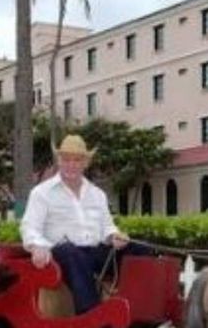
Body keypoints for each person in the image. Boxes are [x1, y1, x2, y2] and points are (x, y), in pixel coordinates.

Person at [20, 134, 137, 314]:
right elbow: (30, 227)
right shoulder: (42, 193)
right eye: (66, 159)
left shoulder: (97, 194)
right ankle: (90, 317)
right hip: (62, 255)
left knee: (137, 250)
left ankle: (137, 314)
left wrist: (114, 236)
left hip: (94, 252)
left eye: (77, 160)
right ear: (59, 161)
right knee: (72, 253)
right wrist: (37, 247)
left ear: (85, 163)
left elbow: (107, 226)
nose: (71, 165)